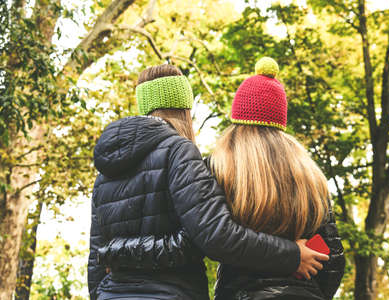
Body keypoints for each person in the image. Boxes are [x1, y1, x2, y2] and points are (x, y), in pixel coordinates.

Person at [87, 64, 329, 300]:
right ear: (184, 110)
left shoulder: (106, 172)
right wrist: (292, 256)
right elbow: (209, 238)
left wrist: (112, 256)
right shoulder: (180, 152)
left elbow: (95, 261)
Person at [209, 57, 345, 300]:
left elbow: (212, 239)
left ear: (237, 117)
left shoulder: (220, 167)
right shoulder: (311, 176)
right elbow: (334, 259)